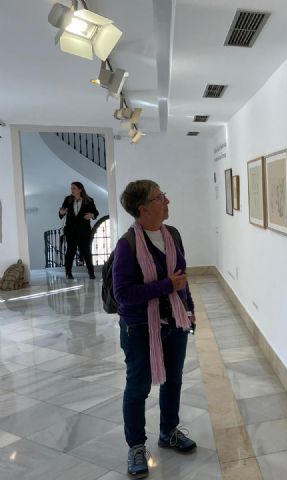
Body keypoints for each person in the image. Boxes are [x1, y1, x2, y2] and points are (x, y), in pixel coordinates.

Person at [112, 180, 197, 478]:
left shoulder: (172, 234)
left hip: (175, 321)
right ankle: (136, 446)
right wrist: (165, 286)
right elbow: (123, 294)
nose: (167, 201)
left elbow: (182, 279)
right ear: (143, 209)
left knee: (174, 380)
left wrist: (189, 310)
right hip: (139, 328)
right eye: (160, 197)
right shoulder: (127, 245)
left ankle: (169, 431)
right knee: (138, 387)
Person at [59, 181, 99, 279]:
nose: (72, 190)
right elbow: (61, 213)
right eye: (71, 188)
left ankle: (91, 272)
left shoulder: (89, 200)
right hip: (71, 231)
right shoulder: (67, 199)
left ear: (80, 189)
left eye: (74, 188)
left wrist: (92, 215)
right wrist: (61, 213)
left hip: (84, 231)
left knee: (86, 252)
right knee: (70, 252)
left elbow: (95, 213)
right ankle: (68, 272)